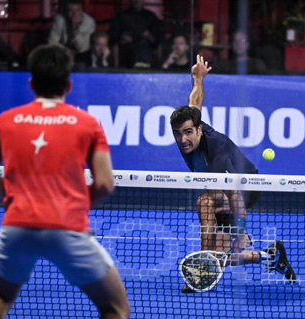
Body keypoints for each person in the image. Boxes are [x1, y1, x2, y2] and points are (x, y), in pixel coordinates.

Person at [0, 44, 129, 319]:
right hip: (68, 227)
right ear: (68, 85)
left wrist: (13, 194)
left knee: (1, 297)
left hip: (16, 225)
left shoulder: (4, 120)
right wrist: (78, 205)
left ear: (31, 83)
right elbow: (106, 184)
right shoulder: (88, 123)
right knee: (115, 309)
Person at [170, 55, 295, 293]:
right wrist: (197, 78)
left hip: (245, 186)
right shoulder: (192, 122)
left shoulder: (215, 152)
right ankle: (270, 257)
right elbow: (194, 102)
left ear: (198, 129)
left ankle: (203, 266)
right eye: (178, 134)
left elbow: (235, 194)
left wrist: (239, 230)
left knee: (205, 201)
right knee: (223, 255)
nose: (183, 139)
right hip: (225, 191)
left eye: (187, 133)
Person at [109, 0, 163, 68]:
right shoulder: (121, 16)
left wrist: (149, 36)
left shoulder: (150, 16)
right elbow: (113, 39)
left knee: (143, 47)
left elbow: (158, 40)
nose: (136, 1)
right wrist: (122, 39)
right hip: (126, 54)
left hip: (146, 54)